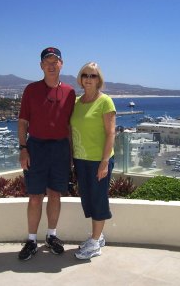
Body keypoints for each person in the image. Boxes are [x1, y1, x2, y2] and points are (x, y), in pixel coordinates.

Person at [17, 47, 76, 261]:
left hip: (60, 148)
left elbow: (69, 126)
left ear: (61, 64)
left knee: (55, 194)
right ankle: (31, 240)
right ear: (41, 65)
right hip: (36, 148)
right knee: (34, 197)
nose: (51, 65)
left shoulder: (70, 92)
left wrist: (70, 156)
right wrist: (23, 149)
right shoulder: (31, 90)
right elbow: (23, 122)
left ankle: (52, 236)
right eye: (47, 61)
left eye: (55, 61)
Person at [70, 62, 116, 260]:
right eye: (86, 75)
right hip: (81, 160)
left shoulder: (105, 101)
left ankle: (95, 243)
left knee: (98, 199)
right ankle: (98, 236)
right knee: (88, 199)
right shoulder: (76, 103)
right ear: (80, 78)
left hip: (99, 160)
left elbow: (111, 132)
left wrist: (104, 162)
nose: (89, 78)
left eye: (93, 76)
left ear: (99, 80)